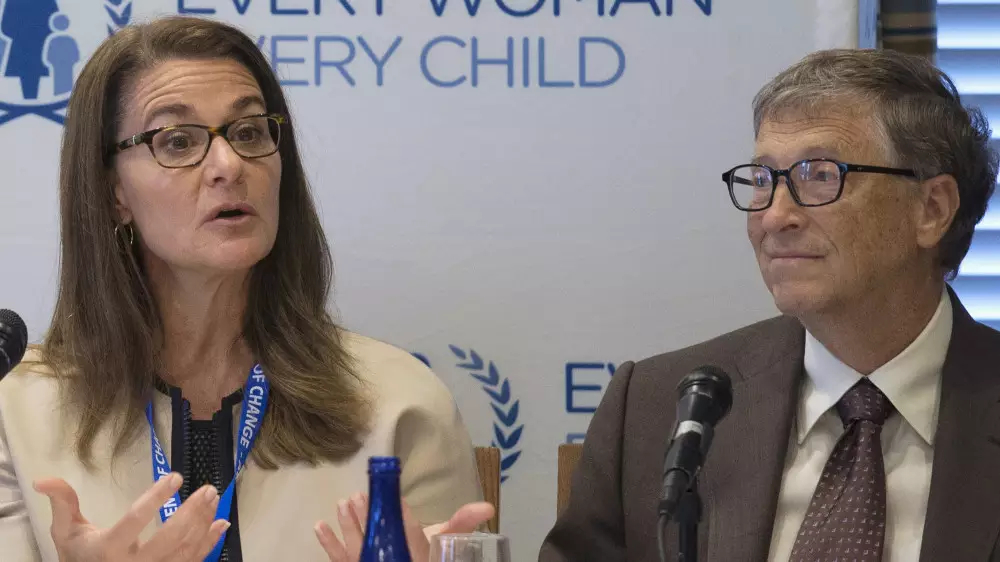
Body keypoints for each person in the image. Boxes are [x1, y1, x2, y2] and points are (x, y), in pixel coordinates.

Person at [0, 15, 492, 562]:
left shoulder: (399, 405)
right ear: (114, 192)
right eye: (178, 141)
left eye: (250, 132)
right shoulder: (14, 413)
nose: (229, 165)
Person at [539, 48, 1000, 562]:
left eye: (820, 175)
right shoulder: (656, 408)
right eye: (762, 181)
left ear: (932, 209)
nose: (776, 217)